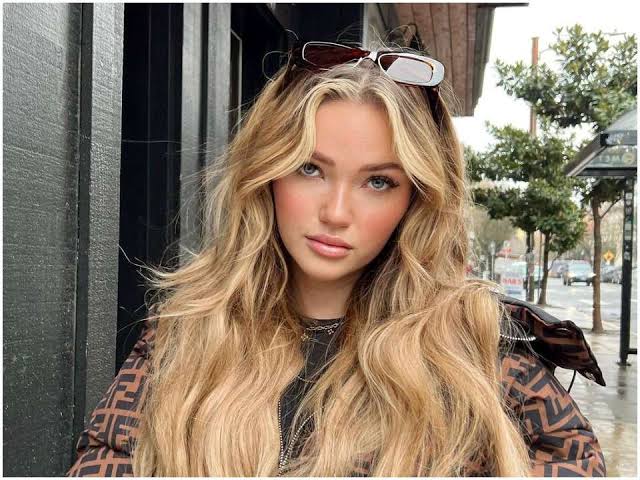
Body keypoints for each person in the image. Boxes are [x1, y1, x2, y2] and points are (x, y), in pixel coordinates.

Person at [67, 40, 606, 477]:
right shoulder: (190, 328)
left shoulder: (478, 344)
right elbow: (105, 457)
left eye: (378, 182)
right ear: (267, 173)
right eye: (310, 169)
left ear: (417, 199)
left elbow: (573, 461)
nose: (337, 212)